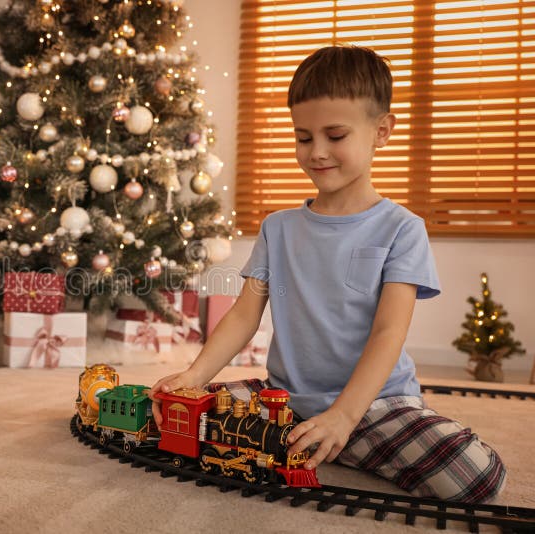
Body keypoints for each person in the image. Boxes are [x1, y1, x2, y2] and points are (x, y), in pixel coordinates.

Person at [149, 45, 506, 503]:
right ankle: (313, 442)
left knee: (476, 477)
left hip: (377, 405)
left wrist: (343, 416)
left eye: (335, 135)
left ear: (382, 131)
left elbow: (387, 333)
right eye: (303, 137)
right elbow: (243, 316)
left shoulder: (403, 229)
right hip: (284, 401)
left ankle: (329, 440)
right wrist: (195, 374)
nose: (316, 152)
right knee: (177, 410)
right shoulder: (278, 228)